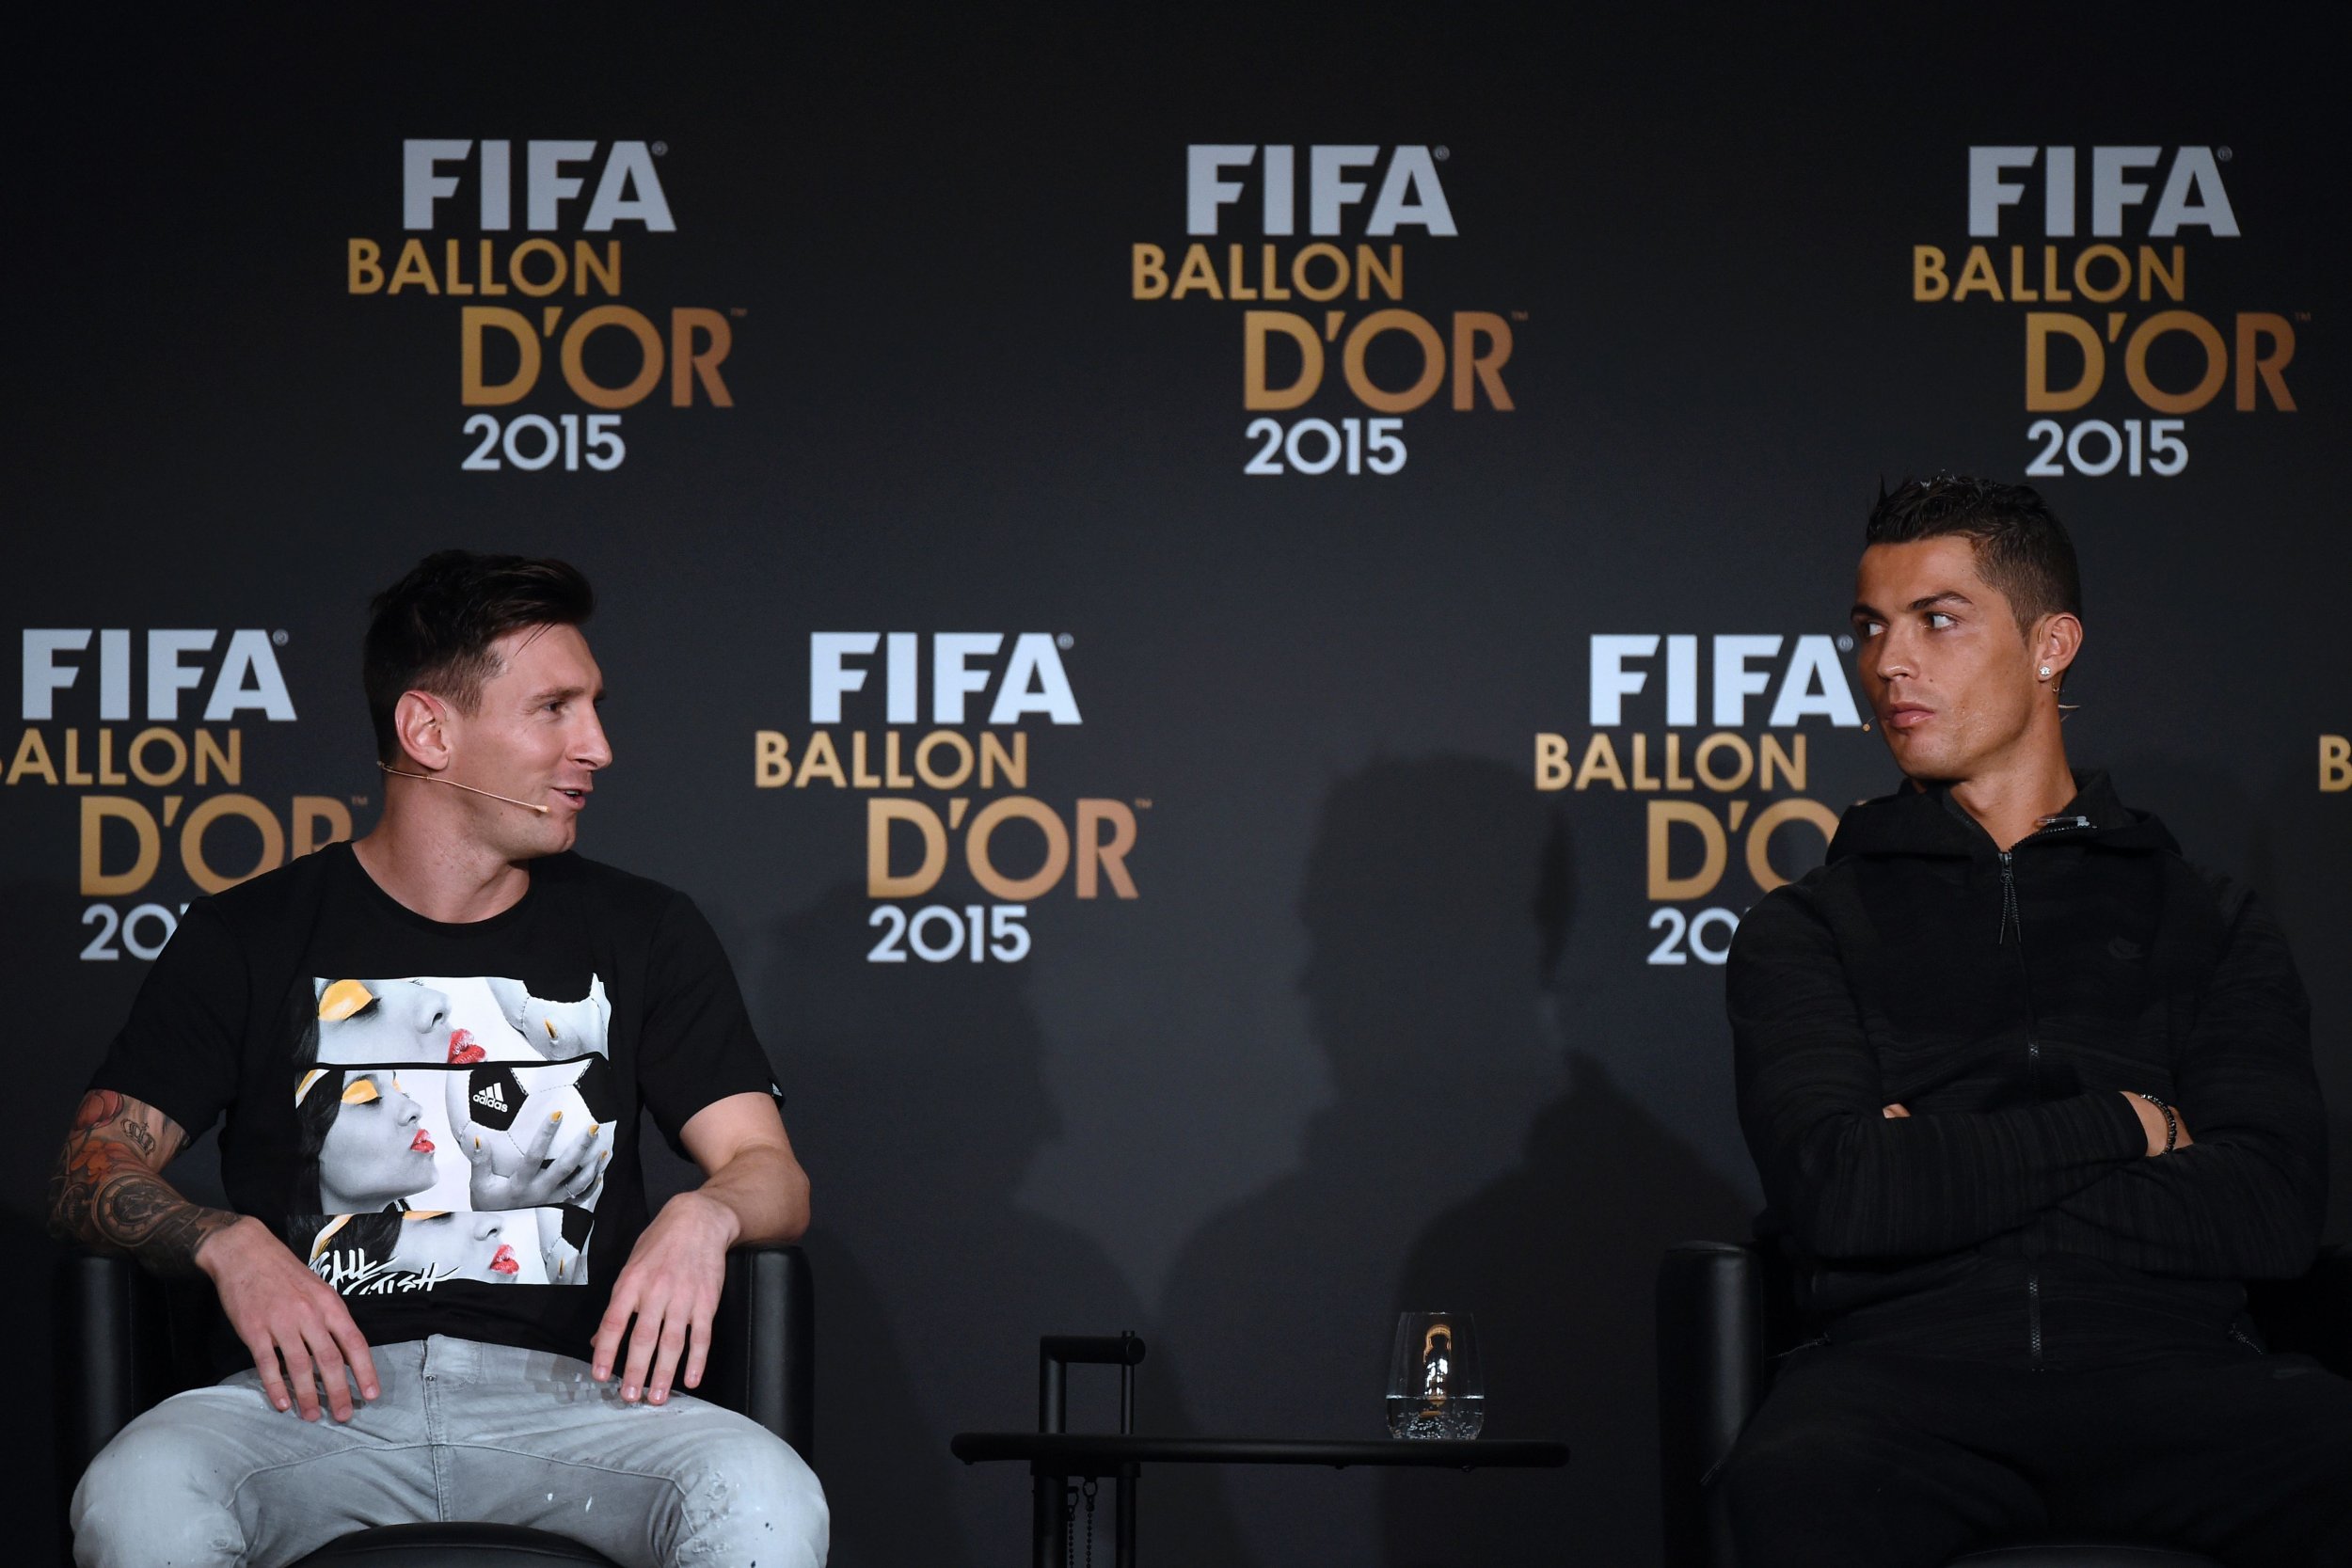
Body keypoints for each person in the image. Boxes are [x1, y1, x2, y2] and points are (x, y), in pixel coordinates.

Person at [47, 551, 827, 1568]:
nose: (596, 744)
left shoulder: (646, 930)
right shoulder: (252, 934)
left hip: (579, 1403)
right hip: (305, 1406)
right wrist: (223, 1239)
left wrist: (707, 1208)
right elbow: (88, 1166)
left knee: (764, 1492)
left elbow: (771, 1170)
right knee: (138, 1493)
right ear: (429, 730)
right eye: (554, 707)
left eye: (593, 706)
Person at [1718, 476, 2352, 1566]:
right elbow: (1844, 1191)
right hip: (1899, 1394)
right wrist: (2127, 1122)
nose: (1887, 663)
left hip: (2182, 1379)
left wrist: (1941, 1166)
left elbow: (2269, 1207)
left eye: (1938, 620)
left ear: (2051, 643)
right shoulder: (1804, 928)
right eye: (1868, 627)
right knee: (1785, 1482)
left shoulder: (2207, 916)